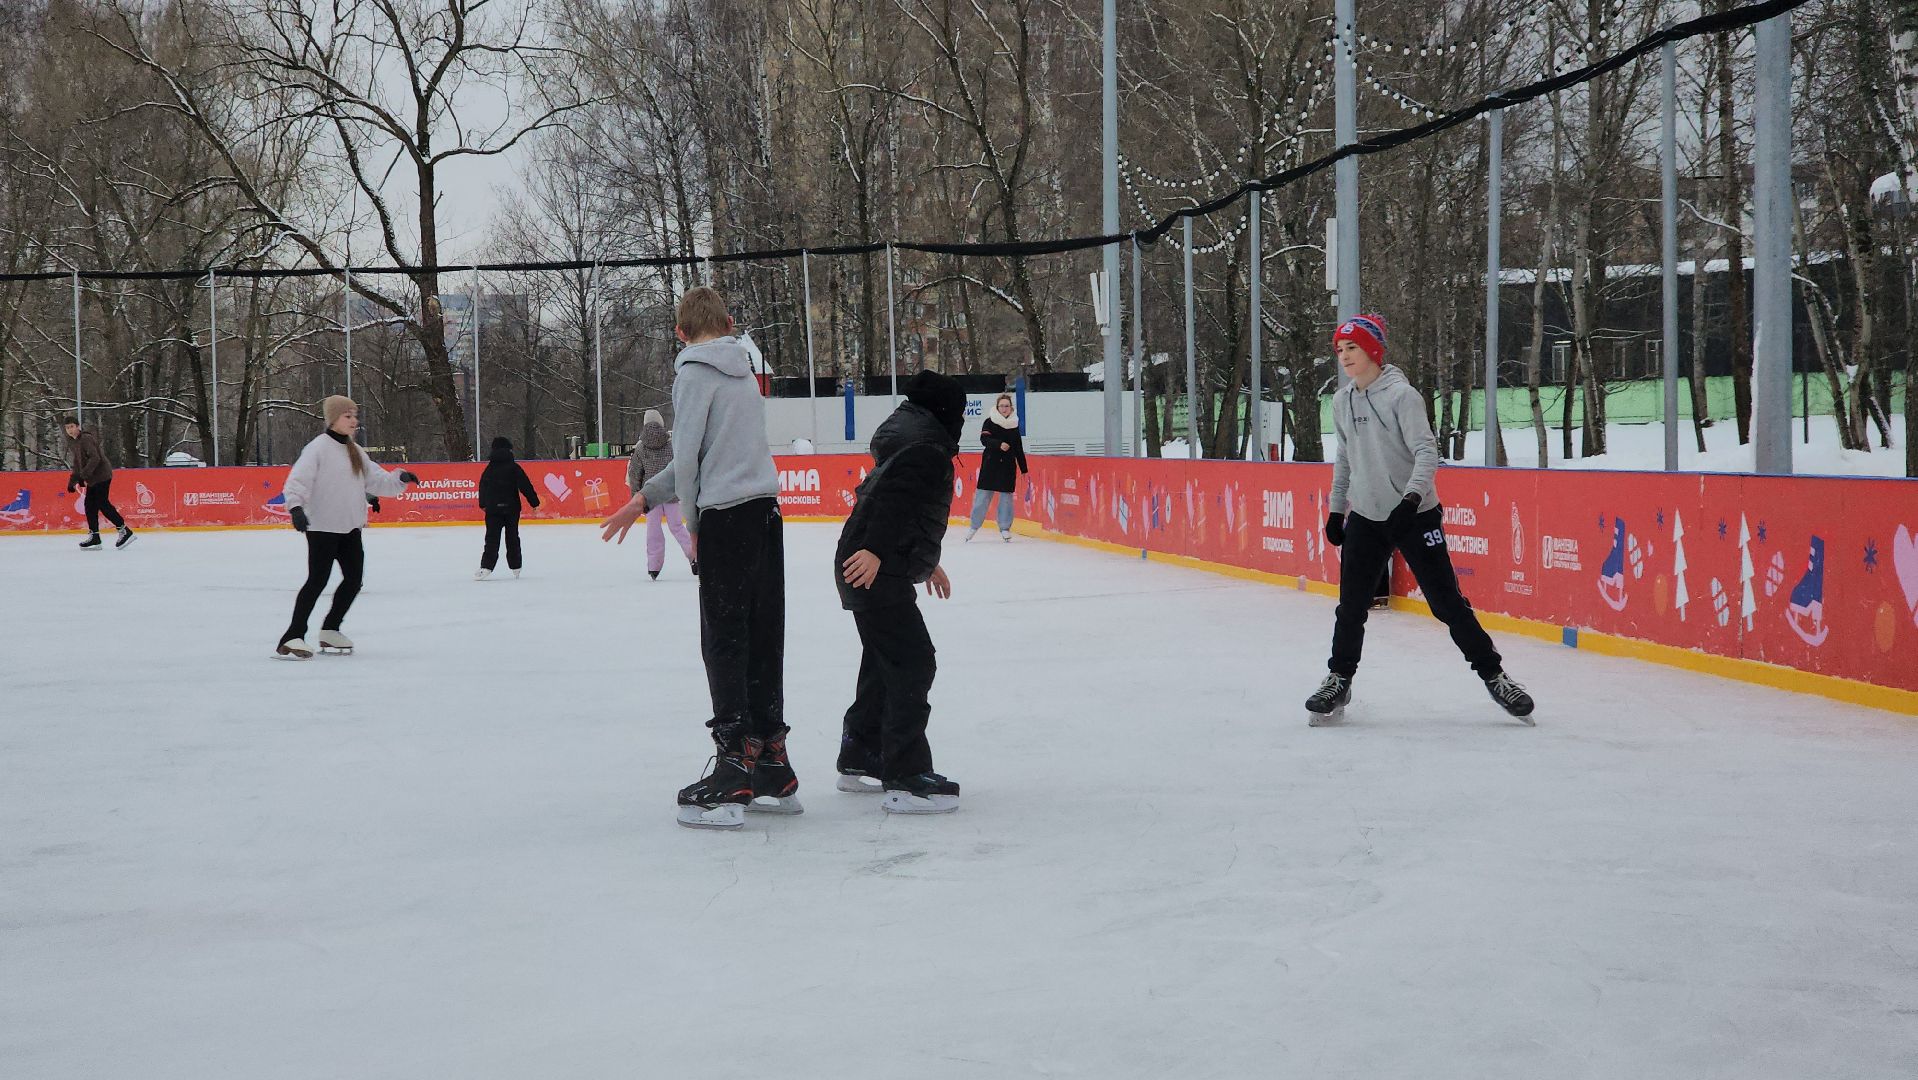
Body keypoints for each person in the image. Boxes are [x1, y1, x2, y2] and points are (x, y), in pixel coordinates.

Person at [599, 287, 790, 829]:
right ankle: (771, 760)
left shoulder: (693, 372)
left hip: (727, 519)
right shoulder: (743, 371)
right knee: (762, 635)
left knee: (724, 639)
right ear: (729, 323)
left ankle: (733, 769)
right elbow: (699, 459)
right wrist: (642, 500)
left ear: (680, 333)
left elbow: (689, 464)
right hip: (766, 516)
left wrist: (692, 523)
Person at [1307, 314, 1536, 725]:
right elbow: (1344, 459)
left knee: (1447, 603)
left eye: (1352, 348)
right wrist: (1336, 510)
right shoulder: (1342, 402)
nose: (1344, 358)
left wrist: (1409, 502)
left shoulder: (1402, 396)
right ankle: (1339, 678)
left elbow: (1427, 453)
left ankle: (1496, 676)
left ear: (1373, 350)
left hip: (1415, 515)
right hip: (1367, 515)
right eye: (1339, 351)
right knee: (1352, 606)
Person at [834, 370, 965, 814]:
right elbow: (891, 505)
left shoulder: (910, 443)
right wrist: (874, 550)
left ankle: (861, 754)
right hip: (872, 568)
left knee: (883, 661)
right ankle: (905, 775)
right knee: (913, 661)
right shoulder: (927, 450)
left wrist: (925, 563)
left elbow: (894, 505)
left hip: (871, 565)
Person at [275, 396, 418, 659]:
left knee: (353, 580)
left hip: (350, 528)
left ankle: (330, 629)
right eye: (348, 415)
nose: (354, 420)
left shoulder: (355, 450)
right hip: (322, 527)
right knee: (317, 581)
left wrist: (400, 478)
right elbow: (298, 480)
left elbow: (376, 481)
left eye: (355, 415)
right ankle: (292, 635)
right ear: (333, 419)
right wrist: (295, 507)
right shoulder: (317, 448)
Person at [625, 409, 696, 580]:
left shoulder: (640, 448)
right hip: (671, 493)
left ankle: (654, 566)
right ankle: (695, 557)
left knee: (653, 529)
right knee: (677, 527)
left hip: (650, 495)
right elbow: (680, 467)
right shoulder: (671, 444)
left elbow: (635, 473)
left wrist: (636, 496)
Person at [475, 436, 540, 580]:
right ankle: (516, 566)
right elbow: (525, 485)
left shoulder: (489, 468)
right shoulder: (514, 467)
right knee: (512, 537)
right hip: (512, 509)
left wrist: (483, 504)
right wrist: (534, 503)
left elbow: (483, 486)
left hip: (493, 510)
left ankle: (486, 567)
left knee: (491, 539)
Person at [63, 417, 133, 550]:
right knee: (89, 505)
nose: (70, 430)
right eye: (67, 428)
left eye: (72, 426)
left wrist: (83, 476)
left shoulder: (85, 439)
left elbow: (95, 458)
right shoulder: (74, 442)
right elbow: (78, 463)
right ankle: (95, 536)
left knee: (102, 503)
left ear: (78, 426)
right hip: (93, 478)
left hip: (102, 475)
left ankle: (124, 530)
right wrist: (72, 481)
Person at [967, 391, 1027, 542]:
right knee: (982, 497)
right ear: (997, 407)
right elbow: (984, 439)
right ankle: (974, 526)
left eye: (1007, 406)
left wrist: (1023, 468)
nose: (1004, 409)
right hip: (990, 464)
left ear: (1011, 407)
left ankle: (1005, 528)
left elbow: (1018, 446)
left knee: (1006, 498)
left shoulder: (1014, 424)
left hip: (1007, 466)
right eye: (1002, 406)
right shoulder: (990, 421)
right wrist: (999, 444)